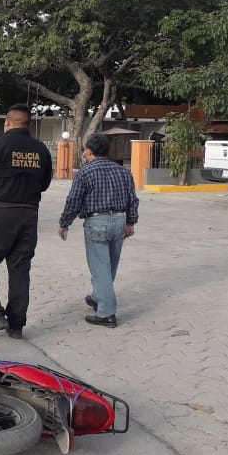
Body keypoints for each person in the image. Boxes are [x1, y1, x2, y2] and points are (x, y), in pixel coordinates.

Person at [0, 104, 52, 339]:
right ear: (28, 123)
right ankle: (16, 325)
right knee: (19, 268)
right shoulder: (41, 149)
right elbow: (45, 183)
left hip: (1, 214)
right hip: (29, 215)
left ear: (7, 123)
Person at [57, 132, 139, 328]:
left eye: (85, 149)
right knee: (109, 267)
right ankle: (97, 297)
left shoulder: (85, 173)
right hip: (119, 221)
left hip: (97, 223)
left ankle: (106, 314)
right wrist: (131, 222)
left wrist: (64, 223)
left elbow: (73, 201)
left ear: (90, 151)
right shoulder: (123, 172)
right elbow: (132, 199)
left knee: (100, 268)